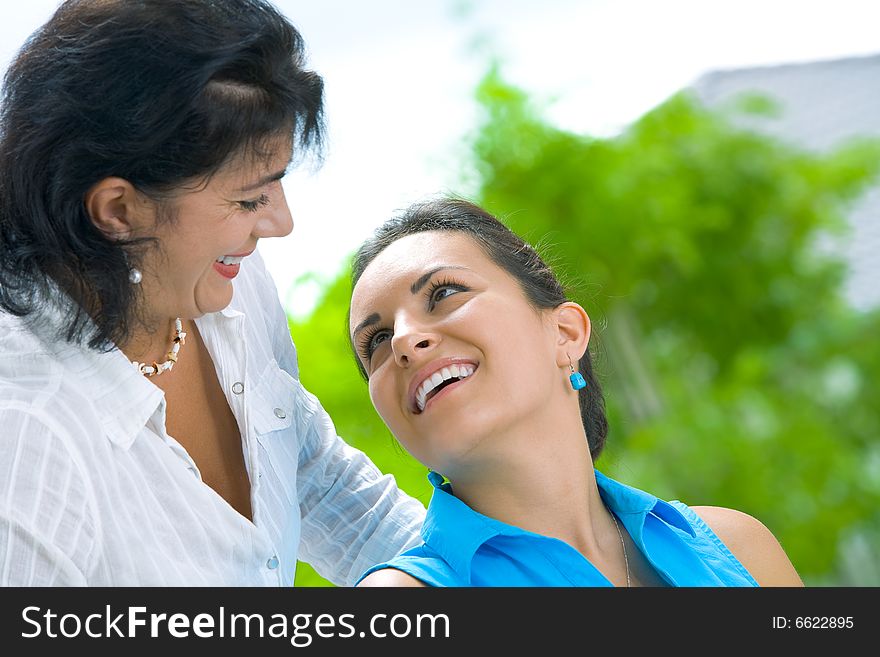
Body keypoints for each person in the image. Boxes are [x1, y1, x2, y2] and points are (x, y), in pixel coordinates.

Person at [0, 0, 425, 586]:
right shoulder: (25, 436)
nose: (281, 222)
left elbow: (315, 478)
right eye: (250, 199)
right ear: (119, 210)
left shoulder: (226, 282)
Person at [347, 197, 804, 587]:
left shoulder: (738, 548)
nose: (405, 340)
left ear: (565, 332)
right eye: (378, 342)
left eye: (444, 292)